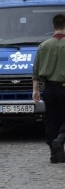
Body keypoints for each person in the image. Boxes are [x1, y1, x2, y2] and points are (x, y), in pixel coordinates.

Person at [33, 13, 65, 163]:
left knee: (51, 120)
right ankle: (60, 138)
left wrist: (35, 90)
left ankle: (55, 155)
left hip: (49, 88)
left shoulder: (43, 45)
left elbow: (36, 71)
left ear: (53, 26)